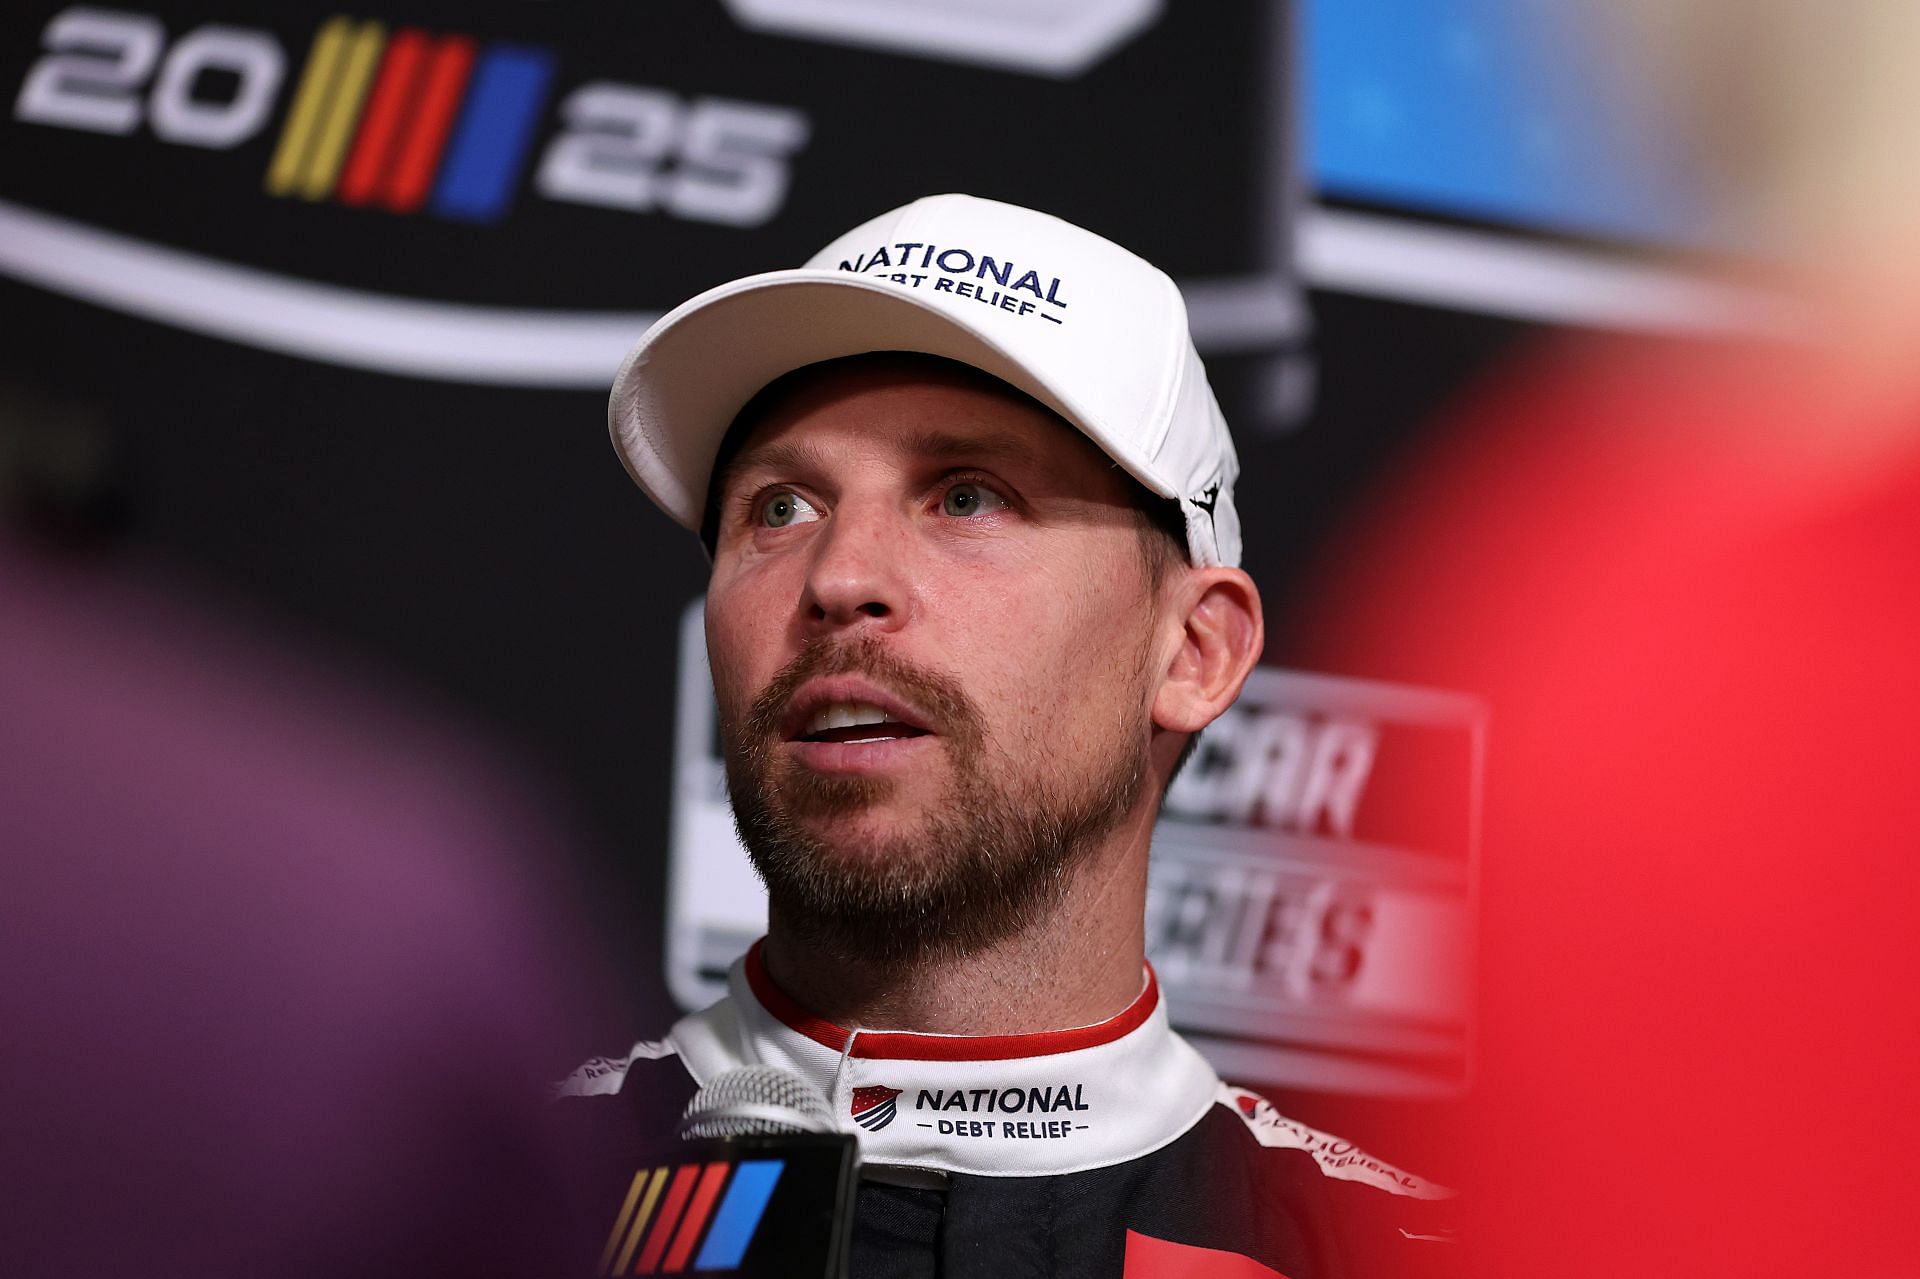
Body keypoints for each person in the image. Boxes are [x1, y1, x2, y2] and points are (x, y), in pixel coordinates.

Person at [560, 194, 1451, 1277]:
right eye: (781, 507)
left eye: (967, 497)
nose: (840, 578)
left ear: (1194, 652)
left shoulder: (1410, 1252)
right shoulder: (454, 1197)